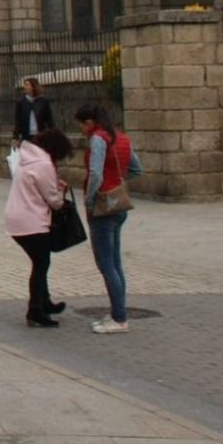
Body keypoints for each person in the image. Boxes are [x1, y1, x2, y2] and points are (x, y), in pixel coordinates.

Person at [75, 103, 141, 334]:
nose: (82, 130)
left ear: (90, 122)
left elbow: (95, 173)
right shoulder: (122, 138)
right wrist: (119, 181)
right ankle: (117, 311)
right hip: (119, 203)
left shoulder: (98, 140)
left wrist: (90, 200)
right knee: (115, 263)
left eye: (82, 125)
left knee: (106, 264)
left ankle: (119, 318)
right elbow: (136, 168)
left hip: (102, 205)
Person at [5, 127, 72, 327]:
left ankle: (45, 302)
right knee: (41, 265)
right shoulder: (43, 164)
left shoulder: (28, 160)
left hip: (15, 218)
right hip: (32, 221)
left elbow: (35, 185)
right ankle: (35, 310)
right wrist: (62, 199)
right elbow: (53, 199)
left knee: (40, 262)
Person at [12, 77, 54, 148]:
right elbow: (18, 121)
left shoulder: (43, 101)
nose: (24, 87)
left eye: (27, 85)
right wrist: (15, 137)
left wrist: (53, 134)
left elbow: (49, 120)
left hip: (40, 135)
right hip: (26, 136)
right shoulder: (21, 102)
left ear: (33, 86)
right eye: (24, 85)